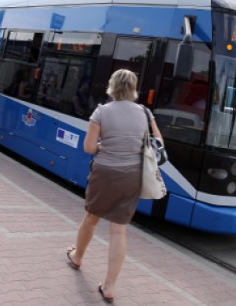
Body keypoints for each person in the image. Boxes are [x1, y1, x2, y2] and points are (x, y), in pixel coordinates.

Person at [65, 69, 164, 303]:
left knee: (91, 218)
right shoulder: (145, 112)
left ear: (112, 86)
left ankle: (77, 256)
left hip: (105, 174)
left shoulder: (101, 112)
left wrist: (103, 145)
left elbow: (89, 148)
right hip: (132, 176)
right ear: (134, 87)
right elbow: (158, 143)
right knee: (118, 230)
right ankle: (109, 287)